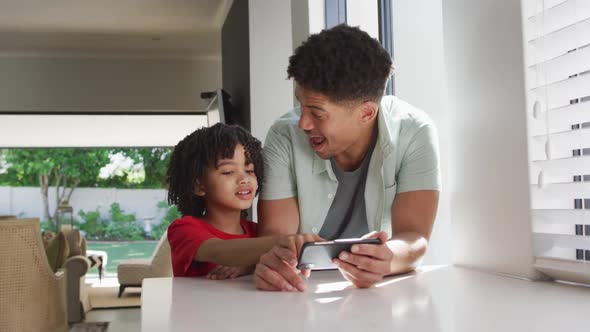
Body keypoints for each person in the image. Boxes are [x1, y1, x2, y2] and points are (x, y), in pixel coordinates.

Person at [255, 24, 441, 291]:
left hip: (375, 294)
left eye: (317, 113)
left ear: (366, 113)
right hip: (301, 290)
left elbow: (414, 237)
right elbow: (275, 236)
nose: (303, 123)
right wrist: (276, 261)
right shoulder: (283, 136)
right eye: (300, 104)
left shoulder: (415, 132)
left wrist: (387, 259)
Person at [166, 123, 319, 280]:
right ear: (199, 186)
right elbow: (218, 250)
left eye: (249, 171)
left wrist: (250, 265)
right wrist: (284, 241)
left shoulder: (257, 233)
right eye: (228, 172)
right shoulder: (184, 229)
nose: (244, 179)